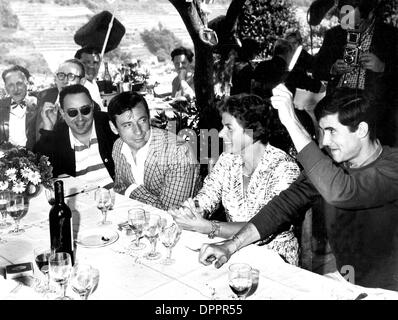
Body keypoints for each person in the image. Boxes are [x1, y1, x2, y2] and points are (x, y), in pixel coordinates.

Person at [199, 85, 398, 291]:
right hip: (348, 278)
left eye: (332, 131)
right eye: (322, 132)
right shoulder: (335, 166)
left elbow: (342, 191)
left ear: (362, 130)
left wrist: (291, 122)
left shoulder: (393, 167)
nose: (326, 142)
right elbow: (282, 206)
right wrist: (229, 245)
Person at [169, 94, 301, 265]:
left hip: (275, 260)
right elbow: (208, 195)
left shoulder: (284, 168)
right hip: (233, 252)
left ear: (254, 130)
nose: (222, 134)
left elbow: (263, 229)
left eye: (229, 128)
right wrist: (192, 211)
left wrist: (209, 227)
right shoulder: (228, 159)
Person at [312, 0, 398, 146]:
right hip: (337, 111)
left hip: (376, 115)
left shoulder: (391, 36)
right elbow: (316, 69)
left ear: (370, 15)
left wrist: (383, 67)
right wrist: (333, 69)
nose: (349, 30)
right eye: (344, 23)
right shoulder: (334, 35)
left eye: (355, 24)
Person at [108, 91, 200, 210]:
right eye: (128, 125)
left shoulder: (178, 152)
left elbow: (172, 212)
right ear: (113, 128)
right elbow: (120, 189)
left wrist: (132, 190)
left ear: (149, 118)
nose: (138, 131)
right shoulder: (118, 146)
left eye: (142, 121)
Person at [34, 84, 117, 187]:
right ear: (62, 113)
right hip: (82, 200)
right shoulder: (58, 136)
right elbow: (39, 169)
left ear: (92, 106)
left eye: (85, 110)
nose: (80, 118)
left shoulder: (109, 124)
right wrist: (48, 128)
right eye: (72, 112)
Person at [0, 65, 39, 150]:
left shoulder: (38, 105)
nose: (16, 89)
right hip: (5, 157)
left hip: (34, 157)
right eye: (10, 85)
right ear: (5, 87)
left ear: (27, 83)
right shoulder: (1, 105)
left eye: (19, 83)